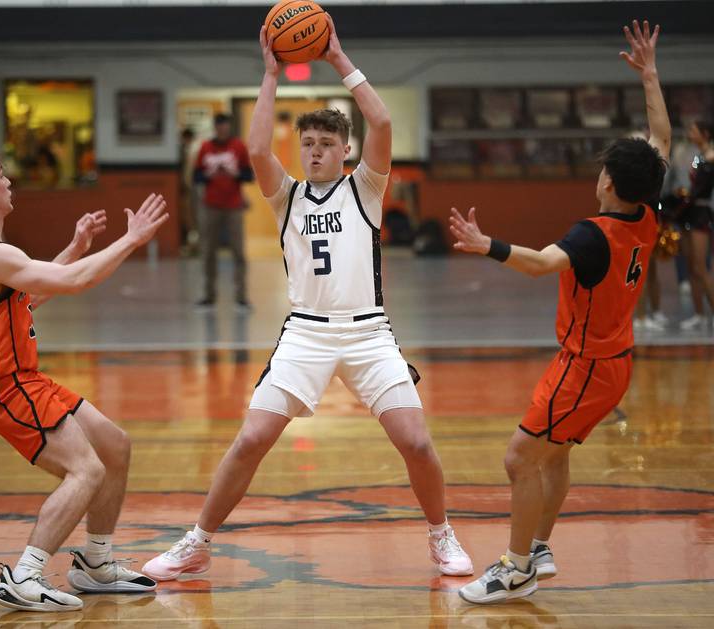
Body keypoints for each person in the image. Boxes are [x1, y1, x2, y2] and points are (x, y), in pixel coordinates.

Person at [142, 15, 473, 582]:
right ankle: (197, 542)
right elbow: (256, 147)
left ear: (346, 150)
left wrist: (338, 58)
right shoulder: (286, 197)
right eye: (309, 144)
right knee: (251, 439)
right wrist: (270, 74)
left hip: (369, 332)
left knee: (416, 441)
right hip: (306, 333)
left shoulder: (366, 188)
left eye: (326, 144)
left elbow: (383, 119)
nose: (315, 152)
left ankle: (441, 535)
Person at [452, 21, 670, 604]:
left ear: (608, 182)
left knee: (521, 458)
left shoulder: (594, 233)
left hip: (586, 366)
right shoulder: (648, 213)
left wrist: (486, 245)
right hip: (613, 360)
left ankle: (516, 566)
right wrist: (650, 76)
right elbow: (663, 140)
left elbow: (542, 264)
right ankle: (540, 546)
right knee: (555, 455)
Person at [0, 148, 169, 612]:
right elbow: (75, 282)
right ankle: (26, 573)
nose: (10, 183)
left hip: (25, 378)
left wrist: (74, 247)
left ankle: (95, 565)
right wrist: (131, 240)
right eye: (3, 178)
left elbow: (28, 296)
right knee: (87, 469)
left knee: (114, 445)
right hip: (3, 386)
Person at [195, 113, 254, 308]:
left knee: (238, 251)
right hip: (211, 204)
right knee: (208, 251)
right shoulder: (206, 147)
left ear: (229, 127)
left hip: (233, 205)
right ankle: (209, 294)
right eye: (220, 127)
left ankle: (241, 295)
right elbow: (196, 176)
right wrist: (209, 175)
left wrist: (235, 174)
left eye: (226, 127)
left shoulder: (238, 146)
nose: (223, 130)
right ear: (215, 128)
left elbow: (248, 175)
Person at [676, 120, 714, 330]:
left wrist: (685, 199)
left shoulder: (710, 157)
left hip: (700, 213)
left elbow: (699, 189)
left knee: (701, 266)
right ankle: (699, 314)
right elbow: (691, 183)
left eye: (694, 129)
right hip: (688, 213)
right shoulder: (698, 157)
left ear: (705, 133)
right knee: (691, 266)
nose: (690, 132)